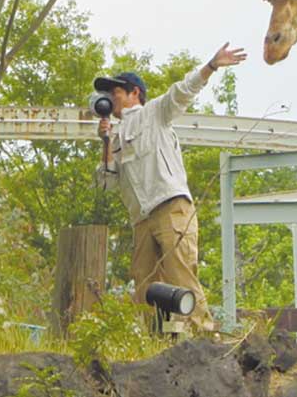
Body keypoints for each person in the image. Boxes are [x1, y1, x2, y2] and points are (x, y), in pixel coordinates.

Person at [94, 43, 247, 331]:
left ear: (133, 93)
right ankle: (159, 343)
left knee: (180, 275)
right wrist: (104, 143)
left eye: (114, 93)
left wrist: (211, 66)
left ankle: (204, 337)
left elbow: (182, 91)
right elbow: (106, 184)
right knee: (145, 286)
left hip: (170, 205)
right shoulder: (113, 137)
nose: (109, 100)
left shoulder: (154, 113)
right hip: (141, 218)